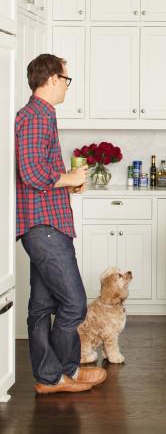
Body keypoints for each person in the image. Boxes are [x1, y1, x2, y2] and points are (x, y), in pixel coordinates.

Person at [15, 54, 107, 394]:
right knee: (73, 304)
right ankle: (64, 370)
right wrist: (67, 176)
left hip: (41, 222)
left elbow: (40, 172)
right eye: (66, 80)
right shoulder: (37, 117)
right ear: (52, 79)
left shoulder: (37, 116)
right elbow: (31, 173)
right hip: (45, 226)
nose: (68, 86)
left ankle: (47, 378)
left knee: (41, 307)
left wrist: (69, 182)